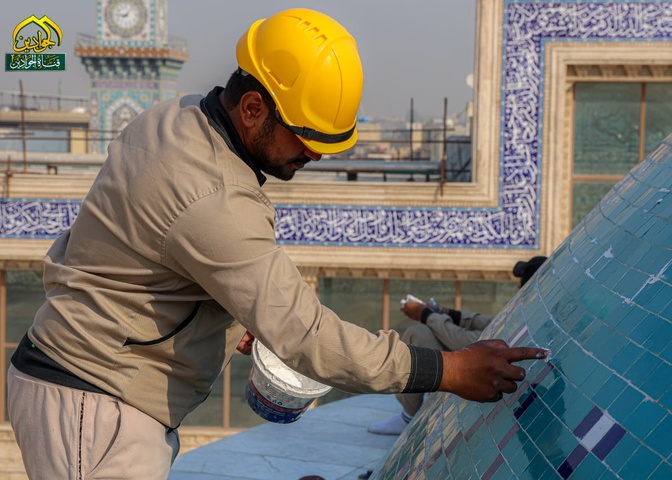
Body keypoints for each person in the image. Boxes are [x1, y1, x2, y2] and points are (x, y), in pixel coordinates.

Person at [6, 8, 547, 479]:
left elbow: (145, 253)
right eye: (306, 139)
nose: (313, 157)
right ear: (253, 108)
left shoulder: (176, 117)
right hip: (95, 406)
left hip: (81, 383)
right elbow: (306, 336)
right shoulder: (214, 197)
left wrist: (222, 310)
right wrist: (449, 371)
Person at [368, 256, 548, 435]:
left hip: (485, 377)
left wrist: (425, 314)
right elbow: (491, 322)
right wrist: (447, 313)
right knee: (423, 333)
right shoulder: (534, 305)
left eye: (521, 285)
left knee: (420, 335)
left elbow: (466, 341)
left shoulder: (534, 316)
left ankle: (408, 417)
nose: (517, 288)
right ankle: (409, 414)